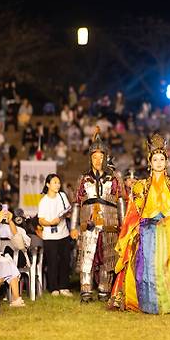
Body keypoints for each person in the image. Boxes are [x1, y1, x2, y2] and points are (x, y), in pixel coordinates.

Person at [110, 133, 170, 314]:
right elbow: (132, 213)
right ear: (150, 162)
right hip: (147, 227)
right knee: (147, 240)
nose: (159, 162)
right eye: (155, 159)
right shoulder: (140, 187)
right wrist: (135, 227)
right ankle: (149, 300)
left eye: (162, 159)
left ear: (166, 161)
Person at [70, 128, 126, 303]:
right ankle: (86, 291)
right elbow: (77, 204)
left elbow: (121, 202)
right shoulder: (83, 179)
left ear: (106, 158)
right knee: (87, 256)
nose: (98, 160)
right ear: (90, 159)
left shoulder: (115, 178)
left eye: (101, 157)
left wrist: (124, 226)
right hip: (89, 223)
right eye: (95, 157)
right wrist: (73, 227)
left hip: (110, 223)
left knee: (108, 257)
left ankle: (104, 289)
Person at [37, 174, 73, 297]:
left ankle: (64, 287)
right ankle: (54, 288)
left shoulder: (62, 196)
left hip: (64, 234)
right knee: (52, 262)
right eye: (55, 182)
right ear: (48, 185)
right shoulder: (44, 201)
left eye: (58, 182)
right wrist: (51, 222)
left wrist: (64, 215)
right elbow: (40, 220)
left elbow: (68, 211)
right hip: (50, 237)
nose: (57, 185)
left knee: (65, 260)